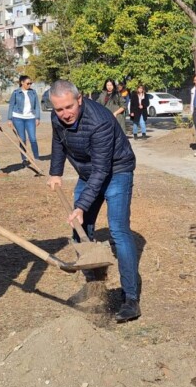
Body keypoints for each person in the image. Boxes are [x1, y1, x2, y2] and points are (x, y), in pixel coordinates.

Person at [47, 80, 142, 323]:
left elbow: (102, 170)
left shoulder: (100, 121)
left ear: (79, 100)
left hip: (116, 171)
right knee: (80, 231)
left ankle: (130, 298)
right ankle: (94, 286)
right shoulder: (57, 117)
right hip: (88, 172)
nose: (65, 114)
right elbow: (58, 143)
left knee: (118, 231)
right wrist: (55, 172)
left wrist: (80, 206)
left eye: (69, 107)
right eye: (59, 110)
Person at [8, 75, 41, 168]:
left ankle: (36, 157)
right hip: (18, 118)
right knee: (22, 139)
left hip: (30, 118)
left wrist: (37, 118)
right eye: (28, 83)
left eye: (31, 83)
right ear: (22, 83)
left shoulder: (33, 92)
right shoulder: (15, 93)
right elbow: (11, 106)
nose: (29, 85)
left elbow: (37, 106)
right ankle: (24, 159)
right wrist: (9, 119)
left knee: (33, 138)